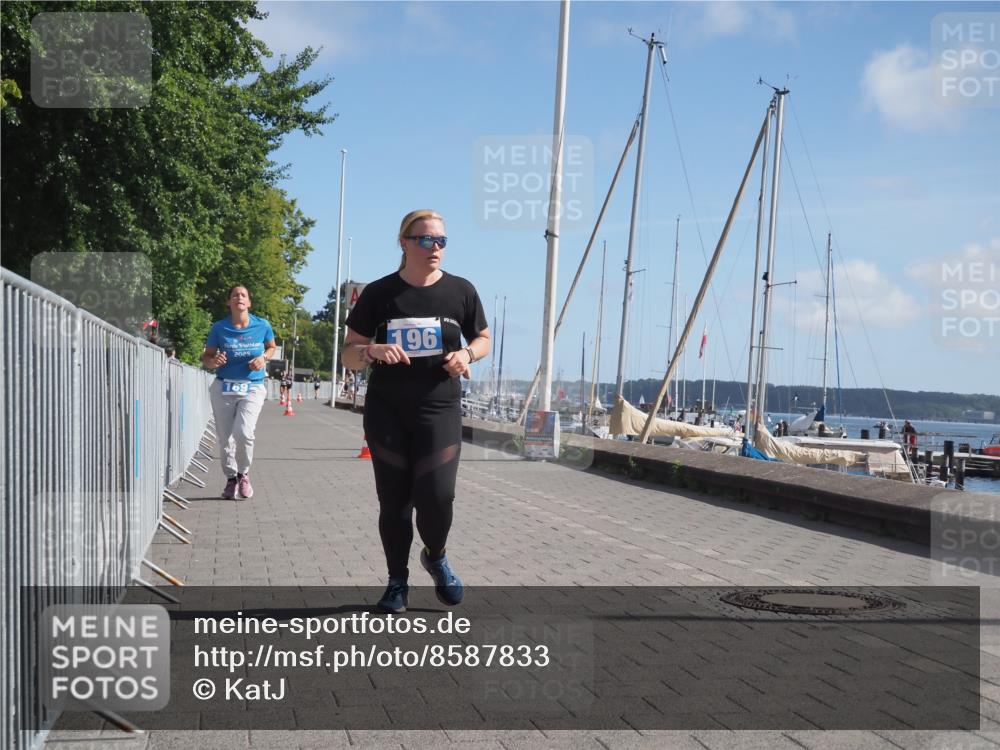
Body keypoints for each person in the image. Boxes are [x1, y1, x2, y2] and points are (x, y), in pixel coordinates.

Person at [342, 209, 490, 614]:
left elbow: (483, 337)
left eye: (441, 241)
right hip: (388, 409)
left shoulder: (461, 290)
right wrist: (371, 350)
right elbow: (348, 354)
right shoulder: (379, 293)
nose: (435, 248)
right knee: (394, 502)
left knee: (438, 496)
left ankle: (437, 556)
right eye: (426, 240)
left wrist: (467, 354)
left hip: (439, 407)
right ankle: (396, 584)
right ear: (404, 243)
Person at [200, 285, 276, 500]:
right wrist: (213, 361)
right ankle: (231, 479)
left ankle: (244, 474)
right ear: (229, 302)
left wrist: (264, 358)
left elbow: (271, 347)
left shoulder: (262, 325)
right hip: (223, 386)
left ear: (249, 302)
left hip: (251, 387)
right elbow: (206, 357)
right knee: (225, 438)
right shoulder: (219, 328)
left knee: (243, 433)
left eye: (243, 295)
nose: (239, 297)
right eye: (235, 295)